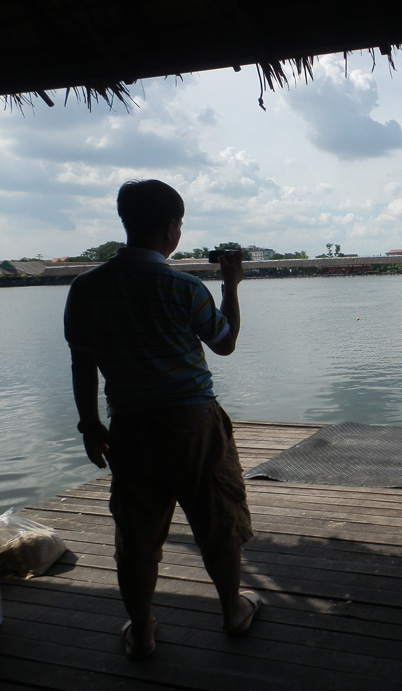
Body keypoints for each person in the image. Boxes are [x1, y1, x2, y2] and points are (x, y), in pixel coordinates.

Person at [63, 179, 260, 660]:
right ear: (172, 227)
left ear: (126, 222)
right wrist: (231, 285)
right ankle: (232, 610)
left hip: (130, 426)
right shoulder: (184, 287)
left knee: (137, 533)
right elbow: (225, 341)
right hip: (194, 423)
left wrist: (91, 425)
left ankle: (145, 630)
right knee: (216, 518)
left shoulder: (86, 289)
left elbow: (83, 363)